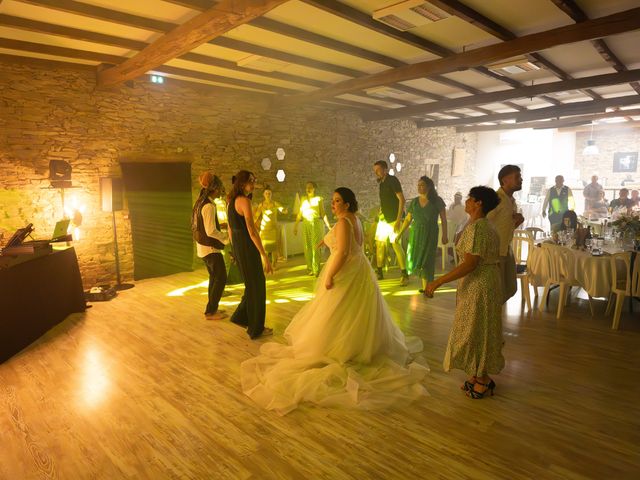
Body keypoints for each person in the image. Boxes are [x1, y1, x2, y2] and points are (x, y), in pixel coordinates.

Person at [240, 188, 428, 415]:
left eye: (337, 201)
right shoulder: (353, 219)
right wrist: (325, 242)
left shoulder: (343, 223)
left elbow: (342, 252)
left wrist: (329, 275)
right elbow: (347, 243)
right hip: (360, 270)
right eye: (333, 200)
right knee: (355, 313)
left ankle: (338, 350)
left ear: (347, 204)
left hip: (347, 271)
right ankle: (357, 347)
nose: (333, 204)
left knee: (338, 312)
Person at [425, 186, 503, 399]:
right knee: (472, 328)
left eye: (470, 199)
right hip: (479, 282)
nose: (466, 202)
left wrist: (438, 281)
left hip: (480, 284)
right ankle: (476, 374)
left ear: (478, 203)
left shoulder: (479, 228)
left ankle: (484, 379)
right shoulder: (477, 225)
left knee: (478, 329)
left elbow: (470, 263)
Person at [228, 170, 273, 339]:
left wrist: (234, 250)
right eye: (251, 181)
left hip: (240, 247)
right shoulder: (244, 201)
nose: (253, 184)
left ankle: (240, 316)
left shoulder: (231, 201)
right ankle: (256, 328)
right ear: (241, 183)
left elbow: (232, 230)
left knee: (251, 285)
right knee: (257, 286)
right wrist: (264, 255)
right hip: (247, 246)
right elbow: (252, 231)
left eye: (254, 181)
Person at [398, 176, 447, 292]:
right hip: (416, 233)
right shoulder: (414, 202)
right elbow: (408, 219)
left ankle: (428, 288)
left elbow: (444, 219)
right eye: (418, 185)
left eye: (422, 185)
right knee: (415, 257)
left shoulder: (437, 200)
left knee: (428, 259)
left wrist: (445, 235)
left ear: (429, 186)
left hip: (430, 233)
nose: (419, 187)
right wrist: (400, 234)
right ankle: (425, 286)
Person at [192, 172, 229, 320]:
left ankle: (212, 309)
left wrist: (221, 225)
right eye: (219, 188)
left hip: (203, 248)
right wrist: (226, 237)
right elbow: (210, 231)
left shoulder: (199, 202)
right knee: (221, 277)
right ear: (214, 189)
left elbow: (203, 226)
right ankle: (211, 311)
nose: (220, 192)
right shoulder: (209, 206)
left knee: (214, 278)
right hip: (210, 249)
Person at [487, 165, 524, 304]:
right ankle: (491, 321)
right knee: (498, 291)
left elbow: (502, 225)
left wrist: (516, 222)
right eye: (517, 177)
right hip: (495, 251)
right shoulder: (496, 199)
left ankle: (493, 320)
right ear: (505, 180)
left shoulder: (511, 200)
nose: (521, 179)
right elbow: (483, 221)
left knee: (510, 288)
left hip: (505, 249)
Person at [373, 161, 408, 285]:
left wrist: (398, 220)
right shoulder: (381, 184)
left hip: (394, 219)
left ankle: (404, 274)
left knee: (396, 245)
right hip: (384, 219)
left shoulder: (392, 180)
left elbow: (402, 200)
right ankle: (379, 272)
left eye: (378, 169)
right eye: (375, 170)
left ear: (385, 169)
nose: (375, 172)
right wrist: (379, 213)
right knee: (380, 245)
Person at [294, 181, 330, 276]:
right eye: (307, 187)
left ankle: (316, 269)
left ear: (314, 189)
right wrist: (295, 226)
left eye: (310, 187)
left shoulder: (319, 199)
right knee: (307, 246)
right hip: (306, 223)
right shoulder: (303, 199)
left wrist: (328, 225)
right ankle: (310, 268)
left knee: (316, 246)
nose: (308, 189)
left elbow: (322, 213)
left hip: (315, 222)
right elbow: (300, 214)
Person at [254, 185, 287, 270]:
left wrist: (284, 210)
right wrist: (251, 223)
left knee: (274, 248)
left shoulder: (275, 203)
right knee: (264, 248)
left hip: (273, 229)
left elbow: (282, 209)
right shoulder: (261, 205)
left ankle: (274, 264)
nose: (268, 194)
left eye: (269, 193)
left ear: (271, 194)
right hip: (264, 229)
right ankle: (265, 265)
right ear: (263, 194)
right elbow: (256, 216)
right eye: (266, 193)